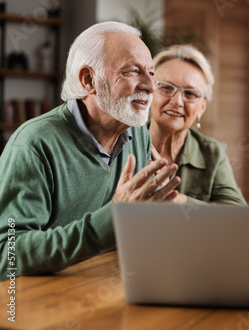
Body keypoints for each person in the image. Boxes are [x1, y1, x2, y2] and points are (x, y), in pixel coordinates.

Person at [0, 21, 182, 279]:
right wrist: (111, 219)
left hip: (112, 288)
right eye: (132, 71)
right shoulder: (33, 144)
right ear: (88, 80)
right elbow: (8, 256)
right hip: (42, 303)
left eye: (151, 73)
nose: (150, 86)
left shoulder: (137, 133)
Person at [148, 45, 246, 205]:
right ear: (149, 92)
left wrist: (177, 200)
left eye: (190, 93)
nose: (177, 101)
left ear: (202, 107)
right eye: (166, 87)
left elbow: (237, 214)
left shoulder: (213, 153)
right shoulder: (122, 143)